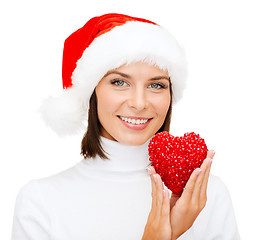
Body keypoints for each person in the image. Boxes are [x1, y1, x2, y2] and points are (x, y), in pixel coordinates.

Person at [11, 13, 240, 240]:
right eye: (119, 82)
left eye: (156, 85)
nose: (139, 103)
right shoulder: (40, 201)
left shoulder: (205, 196)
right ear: (92, 92)